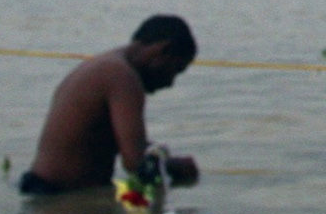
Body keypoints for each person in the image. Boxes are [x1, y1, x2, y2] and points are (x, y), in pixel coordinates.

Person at [19, 14, 202, 197]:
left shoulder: (107, 64)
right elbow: (135, 162)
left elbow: (122, 144)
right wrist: (176, 167)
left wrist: (158, 155)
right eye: (175, 70)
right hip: (57, 195)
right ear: (164, 51)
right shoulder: (122, 77)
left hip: (44, 188)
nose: (170, 83)